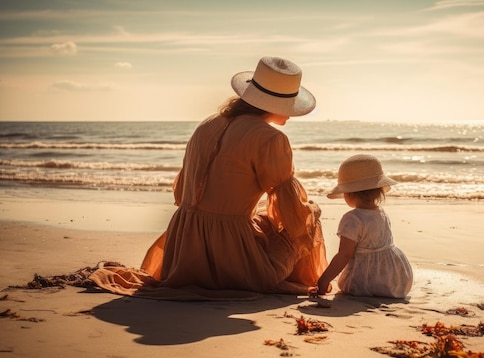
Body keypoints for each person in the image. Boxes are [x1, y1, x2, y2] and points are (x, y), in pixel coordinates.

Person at [91, 56, 328, 300]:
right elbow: (288, 208)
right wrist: (304, 218)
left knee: (265, 218)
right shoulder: (270, 138)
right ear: (273, 105)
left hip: (183, 248)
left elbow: (184, 192)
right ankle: (307, 281)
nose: (290, 115)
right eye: (288, 106)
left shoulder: (207, 124)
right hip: (235, 263)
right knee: (310, 213)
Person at [311, 154, 413, 299]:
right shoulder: (381, 213)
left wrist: (323, 281)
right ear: (378, 190)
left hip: (366, 281)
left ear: (349, 194)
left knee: (347, 284)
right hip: (394, 278)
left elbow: (344, 254)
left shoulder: (352, 219)